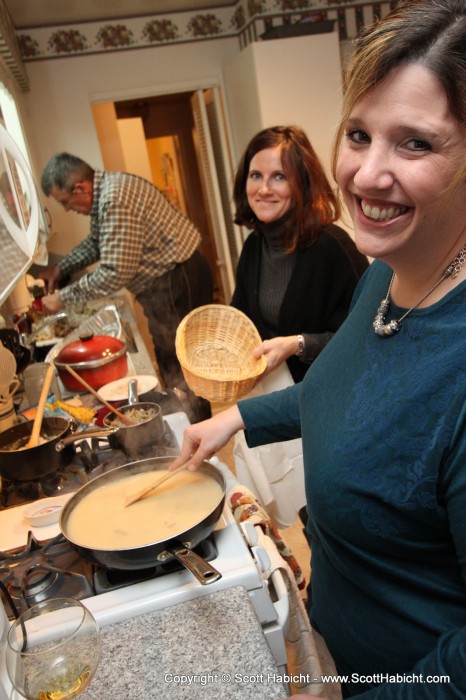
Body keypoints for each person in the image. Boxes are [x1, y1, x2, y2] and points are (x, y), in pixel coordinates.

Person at [172, 0, 466, 696]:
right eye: (359, 135)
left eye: (415, 143)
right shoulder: (383, 280)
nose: (366, 175)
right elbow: (340, 390)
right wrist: (236, 419)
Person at [230, 125, 368, 528]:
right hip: (289, 409)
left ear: (302, 183)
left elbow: (368, 341)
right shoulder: (254, 246)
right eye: (256, 175)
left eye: (279, 177)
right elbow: (243, 320)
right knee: (301, 511)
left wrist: (298, 344)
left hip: (334, 411)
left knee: (332, 519)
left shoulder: (332, 247)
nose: (264, 189)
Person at [38, 153, 213, 421]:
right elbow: (95, 244)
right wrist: (61, 269)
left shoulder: (114, 199)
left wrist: (63, 298)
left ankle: (198, 428)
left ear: (80, 188)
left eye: (64, 202)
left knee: (180, 361)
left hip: (177, 278)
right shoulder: (105, 193)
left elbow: (113, 274)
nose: (66, 209)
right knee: (172, 357)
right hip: (170, 277)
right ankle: (189, 425)